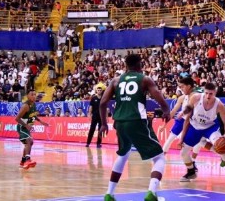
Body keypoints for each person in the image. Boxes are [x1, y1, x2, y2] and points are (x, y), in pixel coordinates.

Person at [99, 54, 171, 201]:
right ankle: (152, 193)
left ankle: (109, 194)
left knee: (123, 155)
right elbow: (158, 96)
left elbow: (102, 103)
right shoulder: (144, 79)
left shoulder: (116, 80)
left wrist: (104, 123)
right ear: (139, 65)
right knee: (159, 157)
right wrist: (166, 110)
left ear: (125, 65)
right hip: (137, 121)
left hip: (119, 122)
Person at [178, 82, 225, 185]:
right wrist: (182, 113)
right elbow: (189, 108)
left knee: (220, 145)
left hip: (210, 127)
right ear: (204, 92)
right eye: (206, 93)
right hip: (195, 127)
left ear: (215, 93)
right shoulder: (196, 97)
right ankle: (191, 171)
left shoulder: (219, 105)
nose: (208, 96)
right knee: (183, 153)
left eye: (211, 94)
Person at [162, 77, 203, 171]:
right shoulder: (181, 98)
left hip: (193, 121)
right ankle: (160, 159)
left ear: (189, 86)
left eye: (182, 86)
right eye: (179, 87)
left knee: (199, 142)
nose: (180, 88)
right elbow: (173, 112)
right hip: (182, 120)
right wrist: (164, 125)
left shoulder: (196, 96)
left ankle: (192, 161)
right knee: (170, 139)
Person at [15, 89, 49, 169]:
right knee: (29, 141)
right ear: (27, 96)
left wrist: (41, 121)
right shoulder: (25, 106)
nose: (34, 96)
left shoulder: (33, 104)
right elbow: (17, 118)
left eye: (35, 94)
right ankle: (27, 160)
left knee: (29, 143)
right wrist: (26, 125)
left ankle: (23, 162)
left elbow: (33, 115)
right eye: (32, 94)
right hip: (21, 127)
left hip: (27, 127)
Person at [86, 83, 105, 148]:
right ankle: (88, 143)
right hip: (94, 116)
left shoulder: (103, 98)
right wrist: (89, 114)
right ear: (96, 91)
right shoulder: (93, 98)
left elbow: (105, 108)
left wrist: (106, 116)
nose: (99, 91)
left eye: (100, 90)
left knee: (100, 130)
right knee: (92, 129)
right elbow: (91, 107)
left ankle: (98, 143)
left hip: (101, 117)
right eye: (98, 90)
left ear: (102, 91)